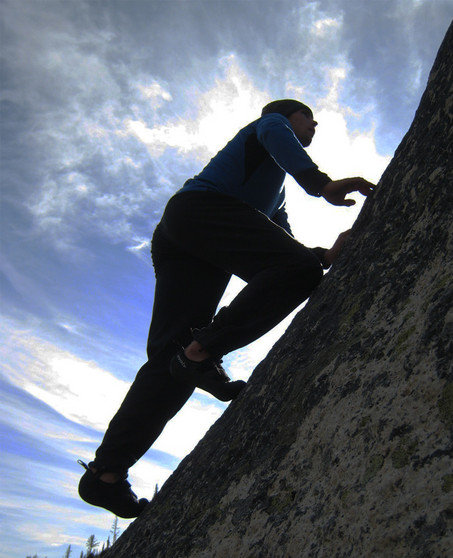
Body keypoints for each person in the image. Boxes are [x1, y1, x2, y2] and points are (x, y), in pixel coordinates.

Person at [78, 99, 375, 518]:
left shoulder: (274, 194)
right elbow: (276, 134)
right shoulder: (269, 127)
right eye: (309, 118)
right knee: (293, 274)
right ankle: (205, 351)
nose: (315, 125)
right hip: (199, 212)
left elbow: (285, 249)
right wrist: (321, 184)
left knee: (170, 361)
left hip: (184, 236)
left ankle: (105, 475)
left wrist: (325, 254)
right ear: (289, 116)